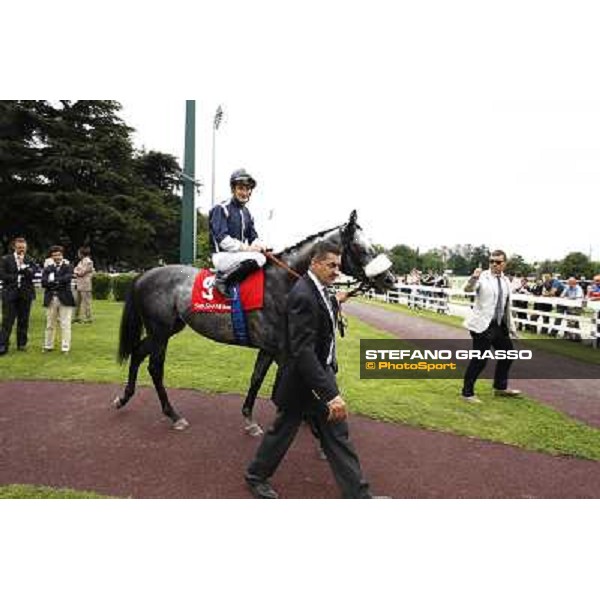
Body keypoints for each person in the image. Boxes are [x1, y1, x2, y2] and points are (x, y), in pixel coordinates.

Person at [245, 241, 373, 499]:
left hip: (311, 376)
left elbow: (325, 305)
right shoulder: (303, 295)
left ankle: (358, 495)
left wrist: (342, 298)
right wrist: (329, 393)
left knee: (336, 435)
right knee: (284, 432)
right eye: (331, 265)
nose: (337, 271)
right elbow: (303, 350)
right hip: (305, 379)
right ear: (314, 264)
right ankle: (256, 476)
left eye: (339, 266)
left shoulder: (318, 288)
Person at [461, 249, 520, 403]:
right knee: (480, 360)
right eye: (492, 261)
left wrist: (512, 328)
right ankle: (467, 393)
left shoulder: (506, 281)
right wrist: (474, 277)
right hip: (483, 326)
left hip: (499, 326)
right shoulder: (482, 277)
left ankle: (500, 387)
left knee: (508, 354)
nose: (494, 264)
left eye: (498, 262)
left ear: (504, 264)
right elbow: (468, 289)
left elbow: (507, 306)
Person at [208, 168, 267, 297]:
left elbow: (253, 237)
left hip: (239, 257)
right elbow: (222, 239)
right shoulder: (221, 208)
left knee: (264, 257)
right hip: (222, 256)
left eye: (247, 189)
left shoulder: (247, 213)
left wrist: (261, 246)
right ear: (233, 189)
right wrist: (248, 248)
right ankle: (222, 279)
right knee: (259, 258)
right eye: (241, 188)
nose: (244, 192)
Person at [0, 237, 39, 354]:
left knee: (23, 320)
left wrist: (25, 268)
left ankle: (21, 344)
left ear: (26, 248)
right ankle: (3, 345)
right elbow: (2, 275)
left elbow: (33, 273)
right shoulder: (5, 259)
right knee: (7, 320)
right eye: (19, 248)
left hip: (25, 294)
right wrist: (16, 277)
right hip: (9, 294)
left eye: (23, 248)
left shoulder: (29, 259)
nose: (21, 250)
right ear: (14, 247)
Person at [41, 246, 76, 353]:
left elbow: (67, 278)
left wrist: (54, 281)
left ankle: (65, 347)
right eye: (55, 255)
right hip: (51, 298)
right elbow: (44, 282)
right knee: (50, 324)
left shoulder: (68, 267)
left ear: (62, 255)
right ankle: (48, 346)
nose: (57, 257)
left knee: (65, 324)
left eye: (59, 254)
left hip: (65, 298)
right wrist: (57, 282)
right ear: (51, 256)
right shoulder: (48, 268)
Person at [73, 246, 94, 323]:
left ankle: (88, 318)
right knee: (77, 302)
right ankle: (76, 317)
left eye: (79, 253)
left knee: (86, 302)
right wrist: (77, 272)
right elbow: (75, 270)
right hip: (79, 284)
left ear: (82, 253)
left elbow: (81, 272)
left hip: (85, 285)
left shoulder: (88, 262)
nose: (78, 254)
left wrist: (77, 272)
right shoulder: (80, 262)